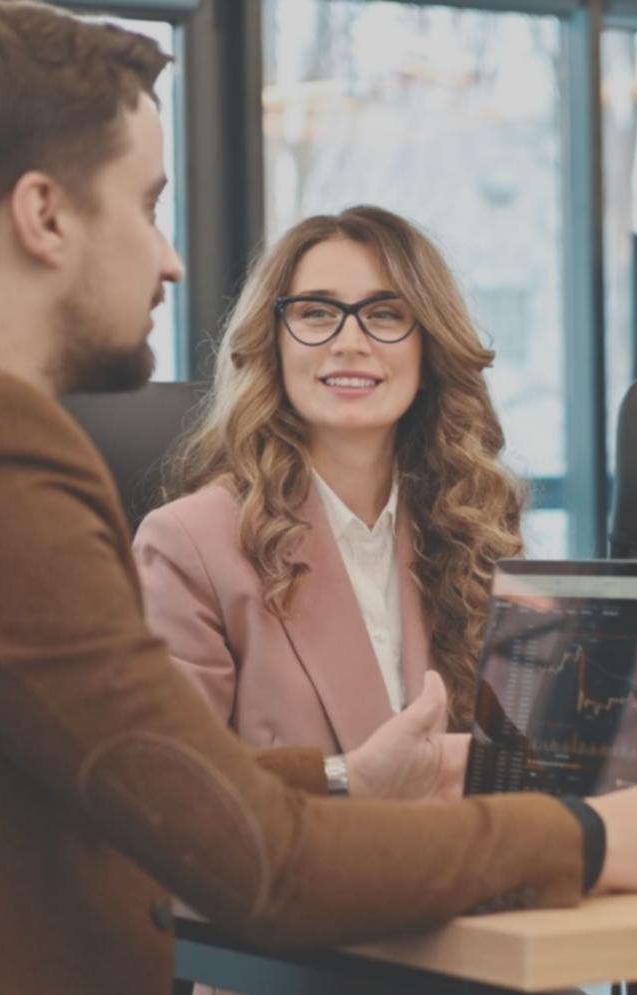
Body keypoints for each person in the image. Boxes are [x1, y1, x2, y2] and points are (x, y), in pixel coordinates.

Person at [0, 4, 637, 992]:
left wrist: (350, 779)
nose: (171, 259)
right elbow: (259, 864)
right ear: (43, 215)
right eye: (147, 205)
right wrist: (598, 832)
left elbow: (137, 787)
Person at [134, 206, 521, 802]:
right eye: (316, 313)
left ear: (430, 348)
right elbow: (169, 790)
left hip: (469, 880)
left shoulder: (476, 528)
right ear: (274, 341)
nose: (350, 341)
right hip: (298, 887)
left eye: (385, 314)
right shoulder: (189, 545)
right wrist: (348, 779)